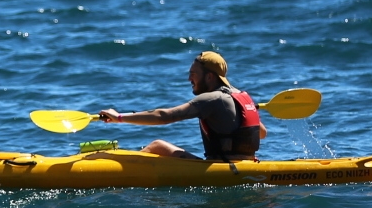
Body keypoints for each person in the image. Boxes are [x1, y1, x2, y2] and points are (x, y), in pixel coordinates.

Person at [97, 51, 263, 160]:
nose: (189, 79)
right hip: (247, 164)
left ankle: (122, 173)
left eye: (193, 74)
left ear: (210, 77)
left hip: (222, 169)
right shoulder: (242, 98)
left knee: (157, 146)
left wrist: (119, 117)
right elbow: (261, 133)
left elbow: (165, 116)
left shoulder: (211, 99)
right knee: (160, 146)